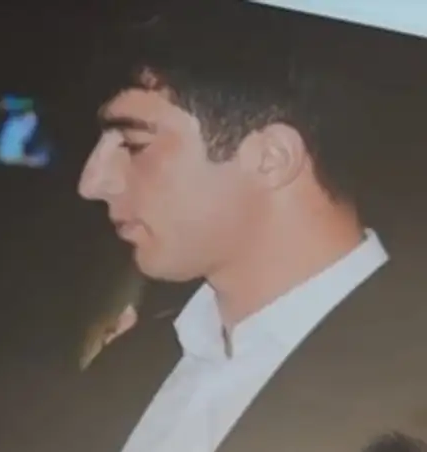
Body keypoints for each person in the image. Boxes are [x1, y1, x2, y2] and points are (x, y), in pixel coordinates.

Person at [49, 3, 427, 452]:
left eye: (133, 144)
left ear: (271, 158)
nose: (92, 182)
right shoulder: (132, 362)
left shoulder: (409, 382)